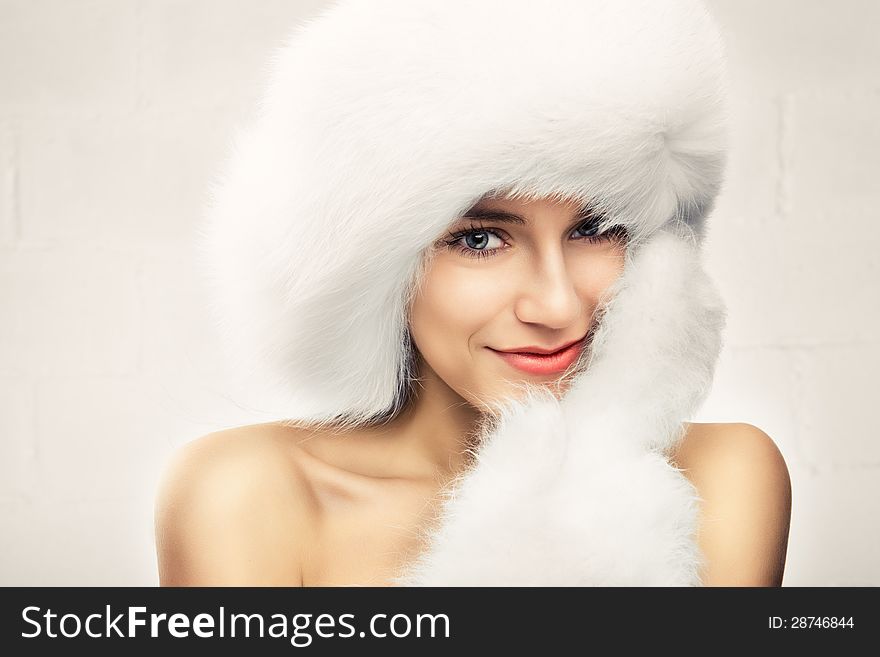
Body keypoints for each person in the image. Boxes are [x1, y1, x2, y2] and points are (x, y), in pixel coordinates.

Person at [154, 0, 791, 587]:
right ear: (375, 264)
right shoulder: (247, 493)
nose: (558, 306)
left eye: (596, 228)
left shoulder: (723, 476)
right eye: (482, 240)